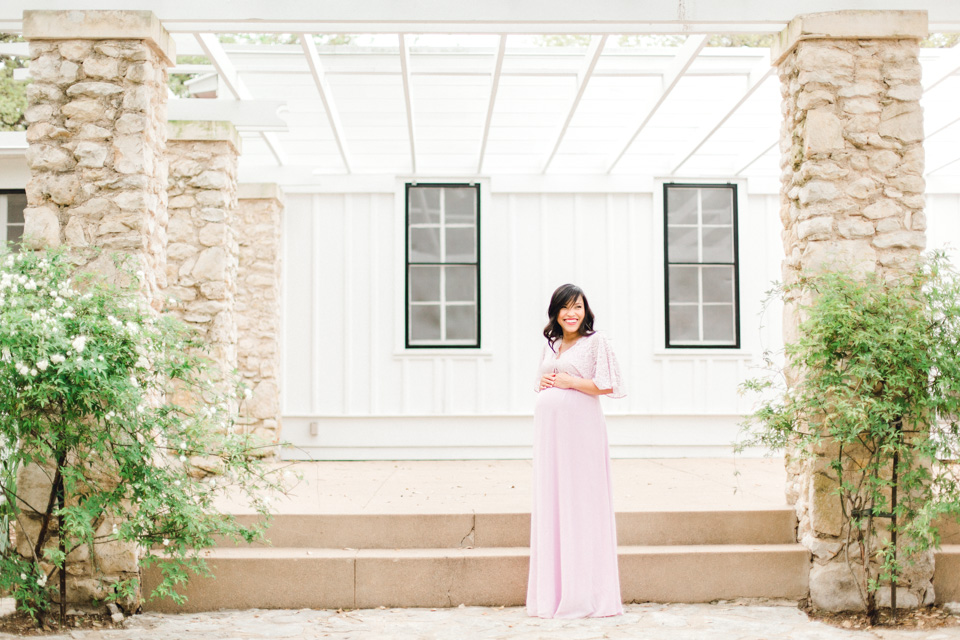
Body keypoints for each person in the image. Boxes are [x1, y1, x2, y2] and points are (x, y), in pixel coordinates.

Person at [526, 283, 625, 619]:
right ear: (555, 312)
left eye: (578, 307)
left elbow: (609, 385)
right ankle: (552, 594)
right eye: (566, 307)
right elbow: (543, 380)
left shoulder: (595, 342)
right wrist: (543, 385)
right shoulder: (550, 344)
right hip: (550, 436)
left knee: (580, 501)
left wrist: (570, 383)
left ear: (586, 311)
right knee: (553, 501)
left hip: (580, 432)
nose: (572, 313)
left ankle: (584, 594)